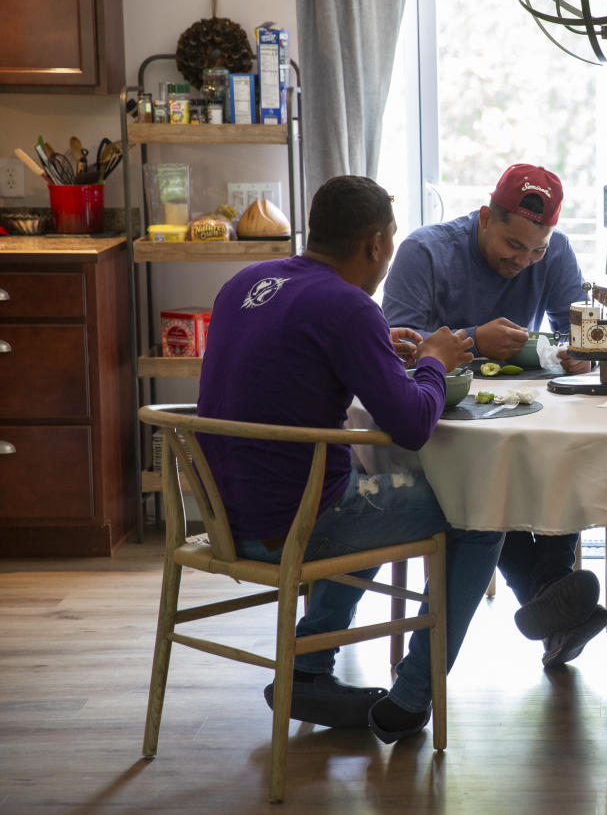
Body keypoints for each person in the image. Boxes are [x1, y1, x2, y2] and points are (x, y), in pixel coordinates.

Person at [197, 175, 505, 744]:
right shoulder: (348, 306)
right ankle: (414, 696)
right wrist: (436, 359)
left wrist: (378, 346)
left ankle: (310, 668)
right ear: (376, 245)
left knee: (362, 483)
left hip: (222, 516)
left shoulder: (247, 282)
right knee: (482, 512)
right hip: (293, 526)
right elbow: (412, 426)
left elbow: (295, 356)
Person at [382, 163, 605, 668]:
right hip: (436, 416)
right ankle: (551, 598)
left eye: (537, 249)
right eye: (513, 245)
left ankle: (548, 596)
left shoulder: (555, 252)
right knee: (480, 485)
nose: (524, 261)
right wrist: (472, 339)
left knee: (561, 453)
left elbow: (577, 330)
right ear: (485, 216)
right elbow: (395, 349)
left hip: (516, 412)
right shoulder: (426, 251)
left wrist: (580, 352)